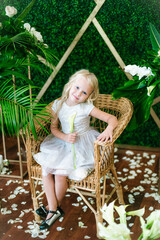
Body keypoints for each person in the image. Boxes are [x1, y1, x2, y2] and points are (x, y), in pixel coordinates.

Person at [34, 69, 118, 230]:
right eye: (77, 87)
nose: (79, 93)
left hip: (81, 145)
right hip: (62, 142)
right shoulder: (58, 104)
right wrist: (64, 137)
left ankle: (51, 210)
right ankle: (53, 207)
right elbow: (54, 129)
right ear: (70, 84)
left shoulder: (86, 108)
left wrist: (108, 129)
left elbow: (111, 118)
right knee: (46, 169)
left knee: (59, 175)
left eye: (85, 92)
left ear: (89, 96)